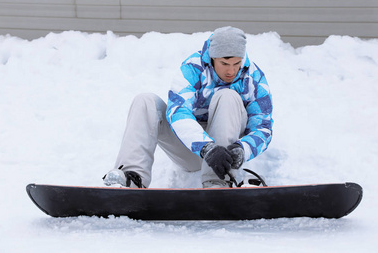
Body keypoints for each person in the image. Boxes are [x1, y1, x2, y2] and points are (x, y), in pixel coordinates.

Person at [103, 26, 273, 188]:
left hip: (227, 155)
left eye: (236, 64)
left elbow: (263, 127)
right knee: (145, 101)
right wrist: (206, 147)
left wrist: (243, 150)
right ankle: (132, 179)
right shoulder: (193, 68)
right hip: (192, 149)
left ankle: (218, 181)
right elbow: (178, 112)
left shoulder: (253, 77)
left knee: (227, 95)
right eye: (225, 63)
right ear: (212, 57)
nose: (232, 71)